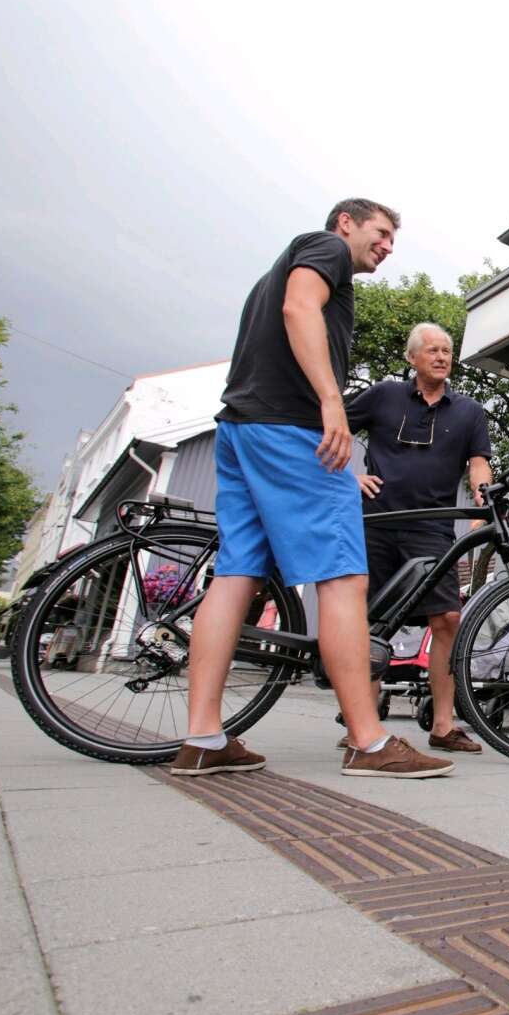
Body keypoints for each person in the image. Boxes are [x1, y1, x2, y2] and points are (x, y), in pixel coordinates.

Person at [170, 198, 454, 780]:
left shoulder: (277, 270)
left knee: (236, 575)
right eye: (380, 233)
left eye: (393, 240)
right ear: (346, 223)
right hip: (289, 431)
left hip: (242, 429)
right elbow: (299, 307)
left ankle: (203, 738)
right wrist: (331, 402)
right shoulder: (325, 248)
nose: (387, 247)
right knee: (344, 576)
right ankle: (369, 742)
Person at [341, 322, 494, 754]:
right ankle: (363, 727)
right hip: (375, 521)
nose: (442, 357)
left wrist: (484, 498)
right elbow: (329, 426)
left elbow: (478, 463)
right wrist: (346, 477)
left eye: (447, 350)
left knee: (447, 619)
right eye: (432, 350)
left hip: (432, 527)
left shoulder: (469, 412)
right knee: (367, 622)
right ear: (412, 358)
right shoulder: (383, 395)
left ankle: (444, 725)